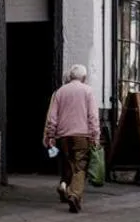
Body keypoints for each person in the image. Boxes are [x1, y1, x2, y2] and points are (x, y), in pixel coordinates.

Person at [43, 64, 101, 213]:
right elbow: (93, 116)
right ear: (84, 77)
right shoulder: (88, 91)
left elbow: (52, 117)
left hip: (63, 136)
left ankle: (65, 186)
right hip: (82, 135)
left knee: (69, 164)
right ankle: (74, 195)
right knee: (80, 167)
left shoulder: (60, 92)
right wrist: (95, 136)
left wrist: (50, 135)